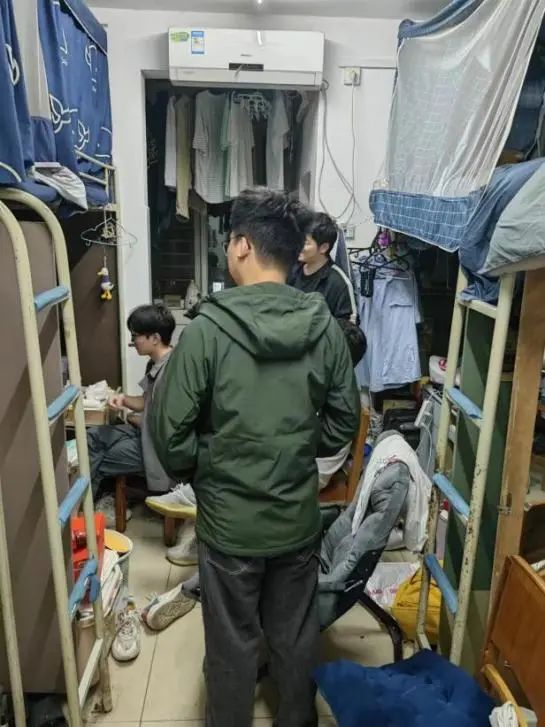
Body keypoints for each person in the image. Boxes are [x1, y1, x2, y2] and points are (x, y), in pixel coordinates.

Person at [150, 188, 361, 727]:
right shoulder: (325, 328)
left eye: (229, 241)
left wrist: (207, 466)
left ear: (242, 245)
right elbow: (344, 424)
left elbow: (170, 435)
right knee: (295, 637)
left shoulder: (206, 331)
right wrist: (296, 450)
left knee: (231, 645)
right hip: (296, 520)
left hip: (229, 526)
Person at [88, 304, 176, 527]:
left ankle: (92, 509)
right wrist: (124, 399)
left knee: (97, 459)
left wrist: (137, 419)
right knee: (93, 437)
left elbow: (164, 423)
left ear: (154, 338)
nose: (132, 341)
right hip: (144, 433)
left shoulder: (173, 369)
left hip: (157, 448)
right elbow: (146, 402)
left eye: (136, 335)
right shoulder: (155, 363)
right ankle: (91, 505)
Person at [288, 211, 358, 323]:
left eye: (305, 242)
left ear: (323, 248)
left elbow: (348, 327)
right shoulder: (291, 271)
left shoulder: (338, 282)